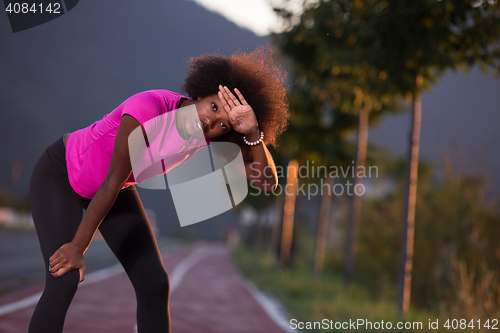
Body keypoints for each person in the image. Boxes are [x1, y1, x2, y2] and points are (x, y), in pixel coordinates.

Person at [28, 46, 289, 333]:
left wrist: (252, 133)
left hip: (115, 189)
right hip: (61, 173)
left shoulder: (208, 138)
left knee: (154, 282)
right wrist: (78, 248)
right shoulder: (149, 108)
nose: (210, 122)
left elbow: (266, 182)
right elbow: (113, 179)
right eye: (214, 107)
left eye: (223, 124)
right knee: (64, 278)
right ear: (202, 93)